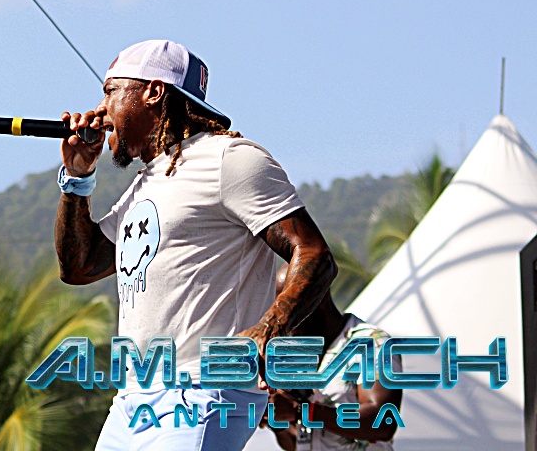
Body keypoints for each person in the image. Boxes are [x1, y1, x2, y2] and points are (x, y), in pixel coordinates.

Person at [54, 39, 337, 451]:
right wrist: (77, 179)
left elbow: (314, 254)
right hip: (133, 398)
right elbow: (78, 267)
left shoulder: (230, 160)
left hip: (204, 390)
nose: (100, 109)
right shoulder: (147, 182)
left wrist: (268, 328)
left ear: (153, 92)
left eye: (110, 91)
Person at [263, 264, 403, 450]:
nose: (282, 325)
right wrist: (277, 419)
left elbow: (383, 422)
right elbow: (298, 443)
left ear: (316, 299)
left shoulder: (371, 343)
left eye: (288, 314)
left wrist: (300, 411)